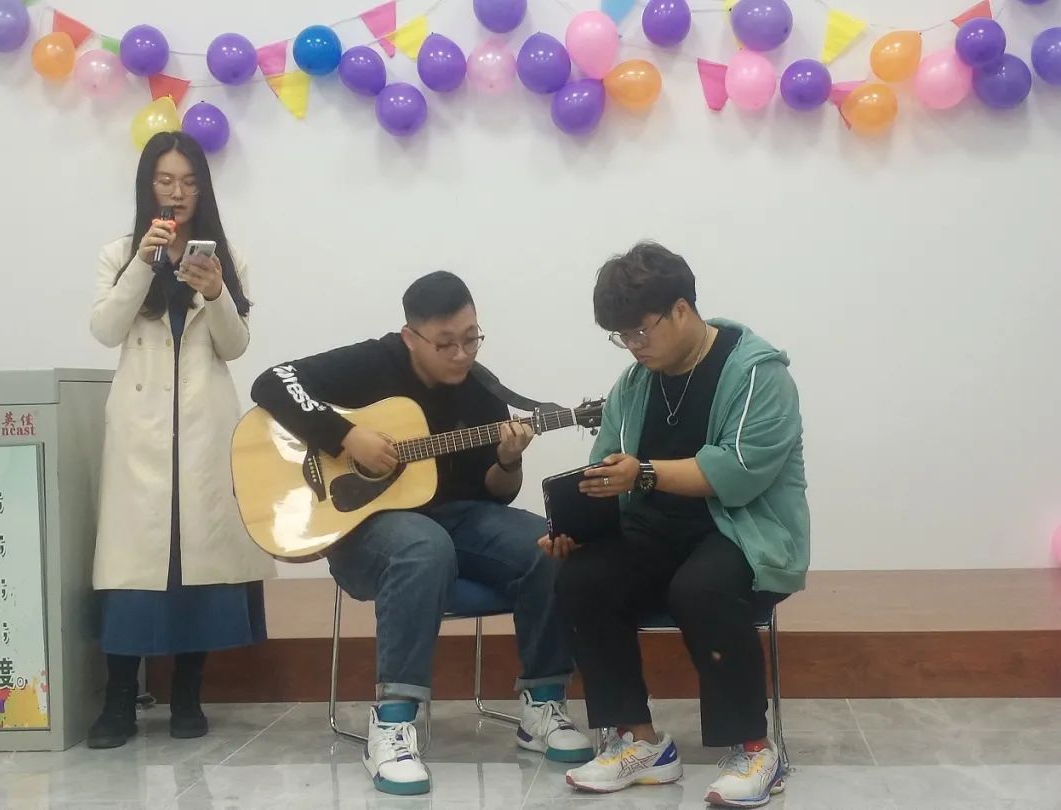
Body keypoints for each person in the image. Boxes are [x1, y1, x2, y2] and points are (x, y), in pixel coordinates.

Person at [249, 271, 592, 796]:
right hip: (365, 531)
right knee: (423, 546)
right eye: (445, 343)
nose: (461, 354)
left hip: (458, 519)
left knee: (545, 544)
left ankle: (542, 704)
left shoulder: (482, 390)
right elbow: (273, 381)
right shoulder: (374, 362)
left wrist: (508, 460)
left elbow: (495, 494)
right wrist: (346, 436)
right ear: (410, 337)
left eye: (471, 338)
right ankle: (391, 723)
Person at [541, 242, 809, 808]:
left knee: (701, 587)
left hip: (739, 531)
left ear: (681, 310)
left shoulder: (757, 373)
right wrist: (576, 525)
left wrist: (642, 472)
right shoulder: (634, 383)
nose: (633, 346)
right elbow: (607, 467)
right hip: (653, 531)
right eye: (622, 337)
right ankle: (640, 742)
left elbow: (739, 473)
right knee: (581, 577)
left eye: (640, 331)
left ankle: (755, 749)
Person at [87, 131, 272, 749]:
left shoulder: (226, 257)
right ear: (148, 186)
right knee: (133, 570)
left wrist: (215, 291)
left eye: (190, 182)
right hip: (140, 430)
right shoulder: (119, 253)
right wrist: (142, 263)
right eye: (166, 180)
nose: (178, 192)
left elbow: (235, 346)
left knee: (198, 563)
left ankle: (188, 696)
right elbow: (105, 328)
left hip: (201, 426)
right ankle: (118, 701)